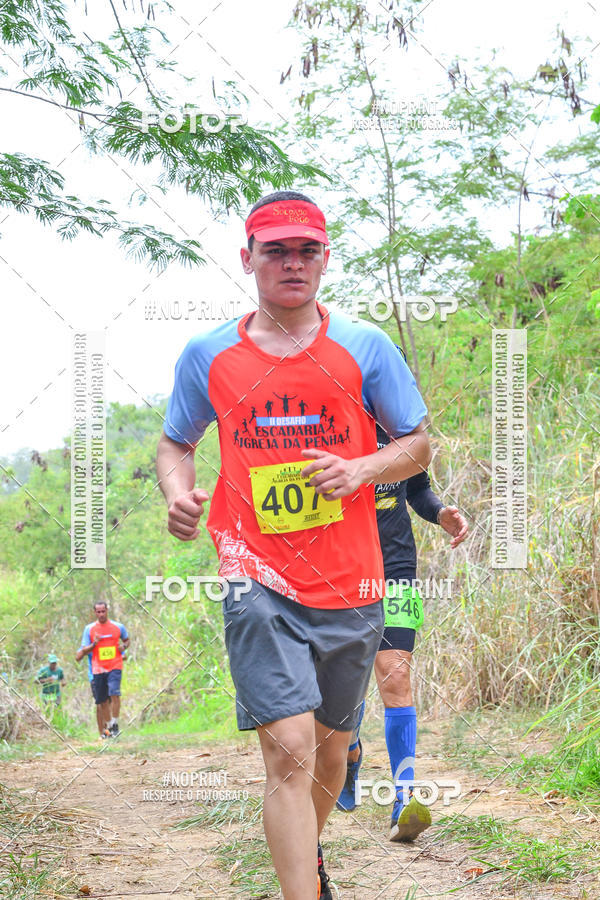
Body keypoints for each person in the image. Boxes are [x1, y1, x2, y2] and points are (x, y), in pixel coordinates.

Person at [156, 190, 432, 900]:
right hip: (256, 575)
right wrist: (177, 494)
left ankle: (306, 860)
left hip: (351, 581)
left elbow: (417, 444)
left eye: (307, 249)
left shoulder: (366, 347)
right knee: (289, 750)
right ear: (247, 258)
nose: (292, 262)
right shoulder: (209, 354)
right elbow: (175, 443)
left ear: (325, 259)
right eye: (276, 249)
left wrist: (362, 469)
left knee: (332, 755)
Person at [337, 420, 468, 843]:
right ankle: (350, 753)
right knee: (343, 682)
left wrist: (439, 512)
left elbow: (416, 489)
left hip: (395, 571)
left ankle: (403, 796)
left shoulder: (398, 434)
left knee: (395, 674)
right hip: (336, 573)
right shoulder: (326, 427)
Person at [76, 602, 129, 738]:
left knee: (113, 696)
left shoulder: (116, 628)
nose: (101, 614)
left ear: (107, 611)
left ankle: (112, 728)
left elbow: (119, 648)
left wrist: (122, 652)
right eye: (98, 612)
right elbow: (79, 654)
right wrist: (94, 645)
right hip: (95, 672)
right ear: (94, 613)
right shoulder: (89, 630)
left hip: (112, 668)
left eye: (103, 611)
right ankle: (104, 732)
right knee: (101, 703)